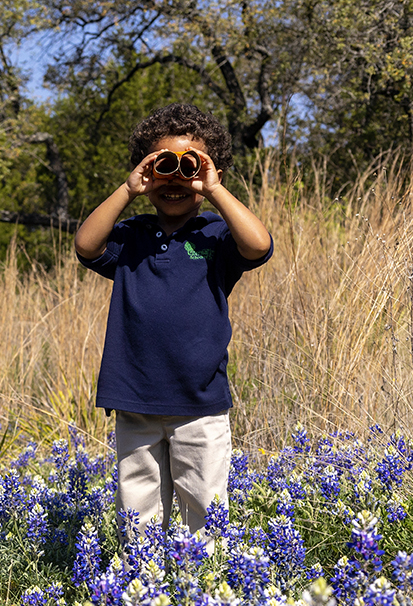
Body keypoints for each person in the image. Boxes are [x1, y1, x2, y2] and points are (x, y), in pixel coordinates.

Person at [73, 102, 273, 539]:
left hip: (199, 405)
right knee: (137, 515)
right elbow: (87, 246)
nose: (177, 181)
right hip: (135, 401)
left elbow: (258, 245)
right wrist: (130, 189)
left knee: (206, 515)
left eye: (190, 168)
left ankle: (202, 598)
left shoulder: (216, 235)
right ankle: (145, 596)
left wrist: (214, 188)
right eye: (164, 166)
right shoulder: (131, 238)